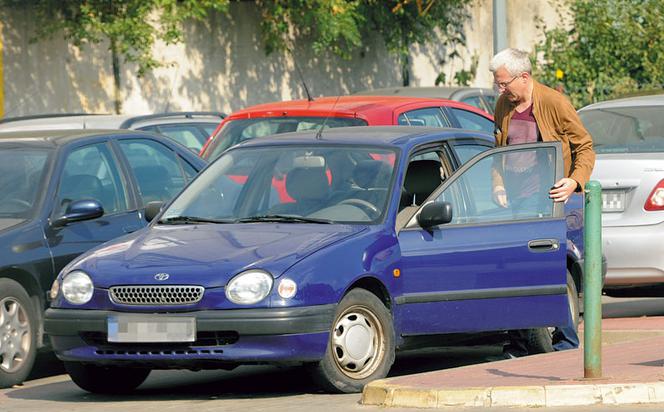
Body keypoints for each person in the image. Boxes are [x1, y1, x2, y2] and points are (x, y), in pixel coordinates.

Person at [489, 48, 595, 358]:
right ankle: (520, 343)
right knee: (515, 273)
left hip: (550, 202)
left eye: (503, 83)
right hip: (516, 205)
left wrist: (574, 181)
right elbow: (497, 149)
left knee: (552, 270)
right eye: (497, 83)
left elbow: (585, 147)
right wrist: (498, 186)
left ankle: (566, 342)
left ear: (524, 77)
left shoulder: (554, 103)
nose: (500, 89)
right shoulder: (503, 105)